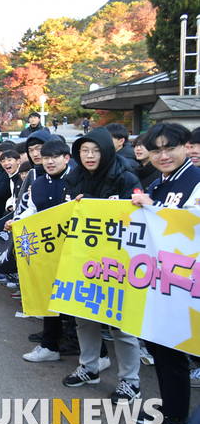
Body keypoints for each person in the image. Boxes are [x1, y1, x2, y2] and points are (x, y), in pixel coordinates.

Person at [60, 128, 142, 405]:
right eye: (85, 151)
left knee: (121, 324)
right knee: (83, 315)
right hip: (85, 260)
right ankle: (90, 367)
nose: (90, 156)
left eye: (95, 150)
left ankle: (131, 381)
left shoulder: (125, 176)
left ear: (107, 150)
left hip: (119, 263)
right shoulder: (74, 177)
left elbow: (138, 216)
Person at [131, 123, 200, 424]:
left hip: (186, 286)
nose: (162, 155)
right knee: (160, 345)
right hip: (162, 282)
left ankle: (177, 419)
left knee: (173, 349)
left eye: (169, 148)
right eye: (156, 150)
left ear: (186, 146)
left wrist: (153, 210)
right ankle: (170, 406)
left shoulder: (195, 181)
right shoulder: (158, 182)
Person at [4, 139, 72, 362]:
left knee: (74, 300)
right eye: (45, 157)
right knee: (48, 293)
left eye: (55, 157)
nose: (49, 162)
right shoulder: (39, 183)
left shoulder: (76, 180)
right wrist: (17, 221)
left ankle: (87, 350)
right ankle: (50, 344)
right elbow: (32, 212)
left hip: (74, 250)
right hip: (47, 249)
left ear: (67, 158)